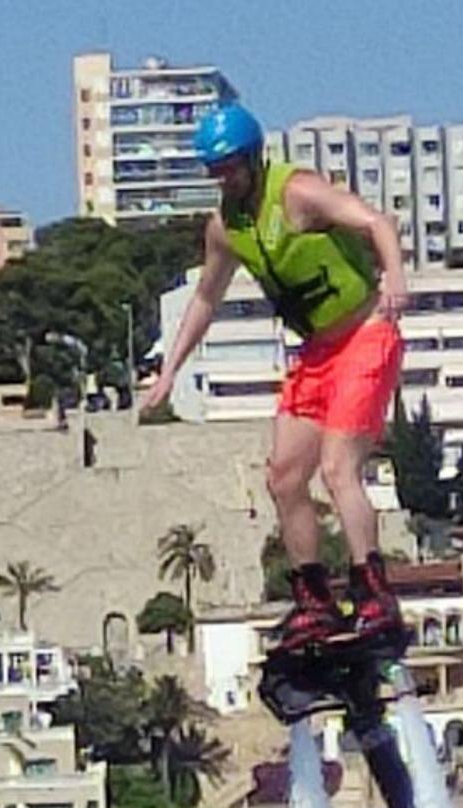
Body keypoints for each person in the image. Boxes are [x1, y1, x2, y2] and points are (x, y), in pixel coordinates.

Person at [141, 103, 410, 653]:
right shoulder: (226, 227)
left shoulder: (299, 192)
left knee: (338, 469)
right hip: (315, 354)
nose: (225, 179)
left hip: (364, 336)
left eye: (232, 167)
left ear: (254, 157)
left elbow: (375, 221)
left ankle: (374, 593)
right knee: (284, 477)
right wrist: (169, 371)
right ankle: (314, 599)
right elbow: (205, 298)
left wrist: (396, 276)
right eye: (215, 171)